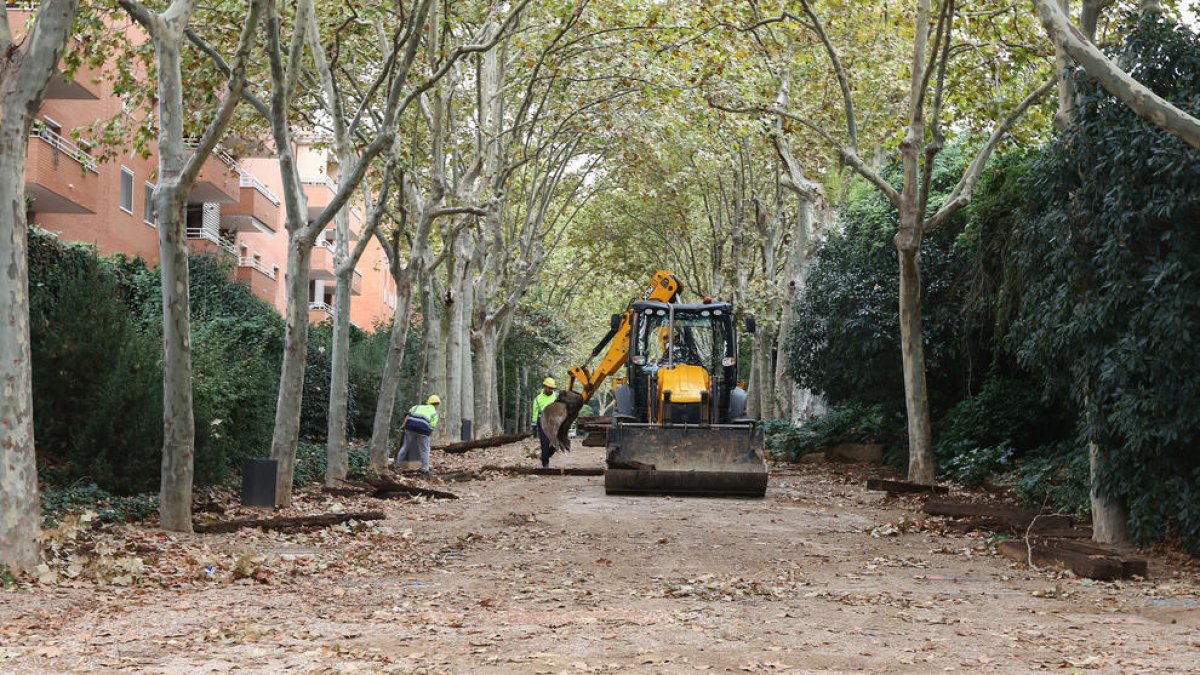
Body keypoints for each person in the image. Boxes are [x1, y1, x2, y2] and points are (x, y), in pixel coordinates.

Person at [395, 395, 441, 476]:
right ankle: (425, 470)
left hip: (410, 427)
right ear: (437, 405)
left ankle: (397, 466)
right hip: (423, 430)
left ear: (428, 402)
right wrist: (428, 436)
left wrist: (403, 426)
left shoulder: (416, 407)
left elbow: (407, 417)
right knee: (425, 450)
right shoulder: (435, 414)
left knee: (405, 446)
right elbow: (431, 427)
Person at [531, 377, 558, 469]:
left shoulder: (556, 397)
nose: (551, 389)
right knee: (545, 443)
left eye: (552, 388)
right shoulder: (538, 399)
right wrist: (534, 425)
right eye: (549, 387)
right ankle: (545, 464)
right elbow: (535, 412)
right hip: (542, 421)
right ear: (545, 387)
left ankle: (545, 456)